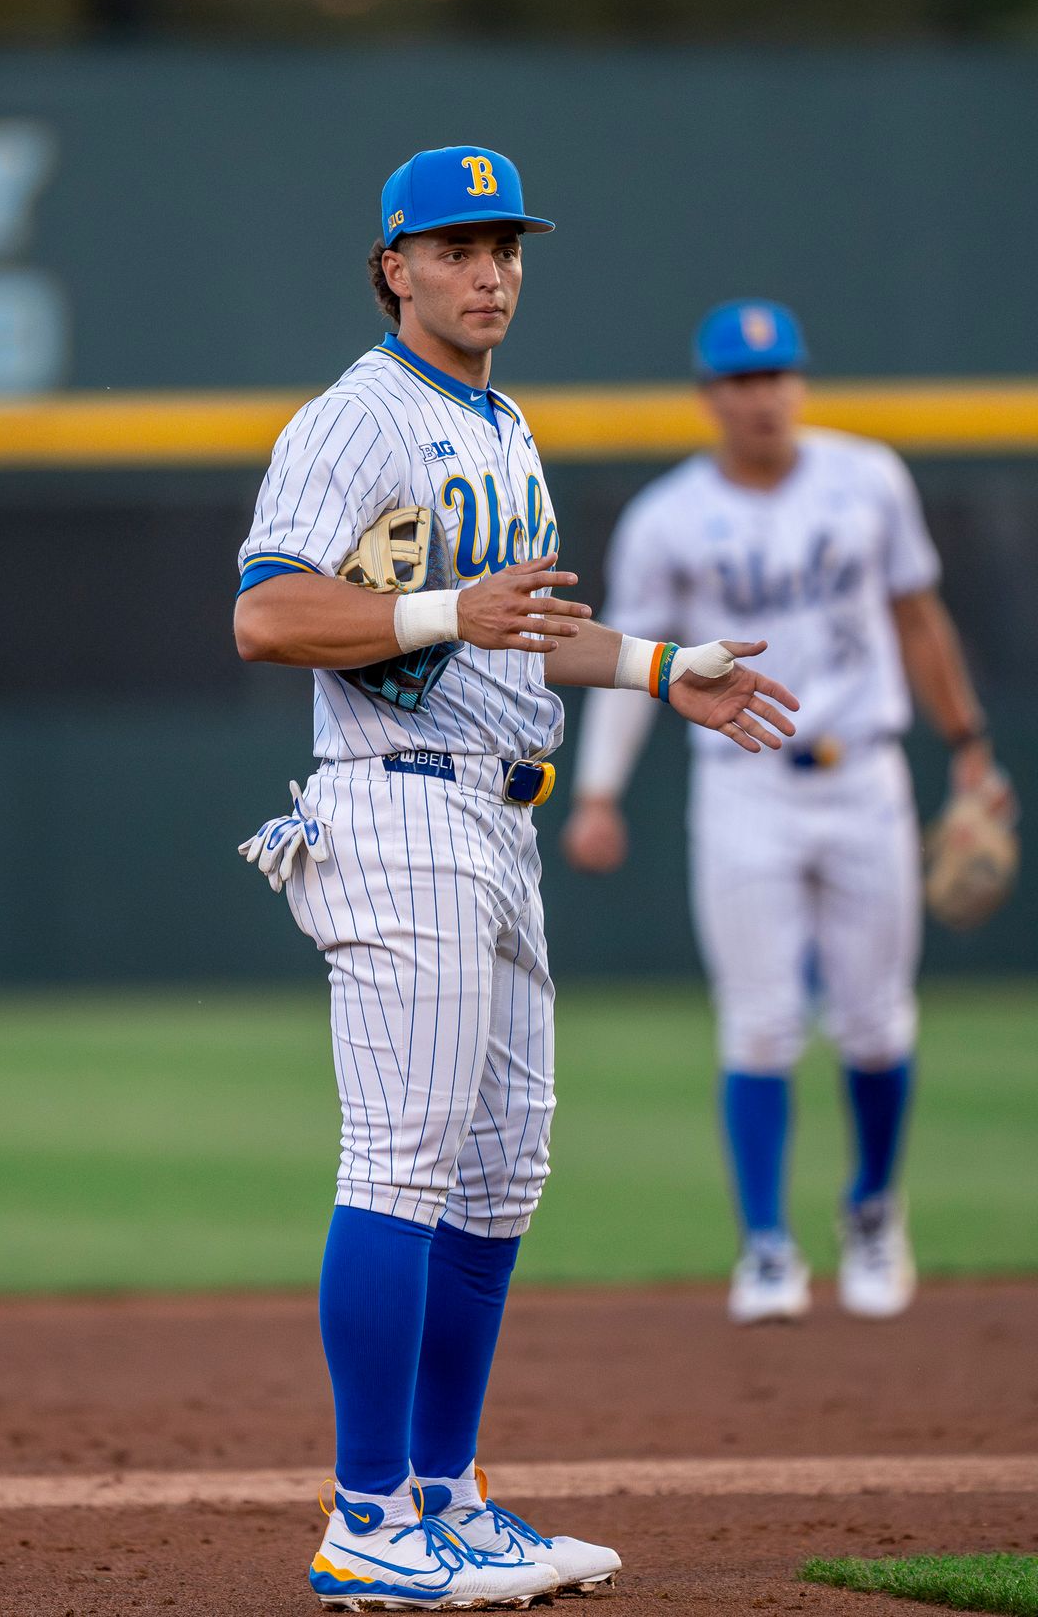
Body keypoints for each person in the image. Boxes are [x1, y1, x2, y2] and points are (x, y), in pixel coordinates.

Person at [233, 154, 799, 1610]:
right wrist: (439, 606)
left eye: (506, 248)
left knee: (499, 1179)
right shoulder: (354, 418)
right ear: (394, 266)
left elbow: (522, 632)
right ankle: (367, 1521)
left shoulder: (500, 421)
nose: (490, 272)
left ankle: (445, 1495)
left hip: (501, 817)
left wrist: (672, 670)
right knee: (405, 1168)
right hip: (397, 805)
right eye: (458, 247)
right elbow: (268, 612)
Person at [562, 299, 1010, 1325]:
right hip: (743, 786)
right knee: (760, 1025)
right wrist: (597, 793)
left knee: (875, 1018)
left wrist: (971, 746)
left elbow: (917, 617)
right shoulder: (667, 519)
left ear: (799, 384)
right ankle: (765, 1244)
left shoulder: (869, 480)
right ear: (708, 397)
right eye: (741, 381)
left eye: (778, 376)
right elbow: (635, 665)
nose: (763, 396)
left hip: (867, 776)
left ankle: (873, 1213)